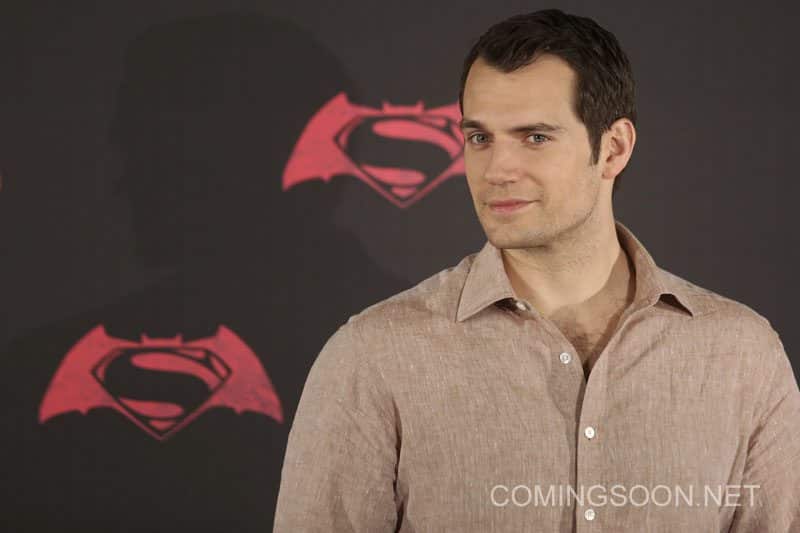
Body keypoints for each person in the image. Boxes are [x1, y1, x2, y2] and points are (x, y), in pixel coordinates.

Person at [273, 9, 800, 532]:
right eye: (480, 138)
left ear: (613, 148)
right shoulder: (374, 357)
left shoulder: (741, 356)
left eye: (535, 138)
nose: (496, 170)